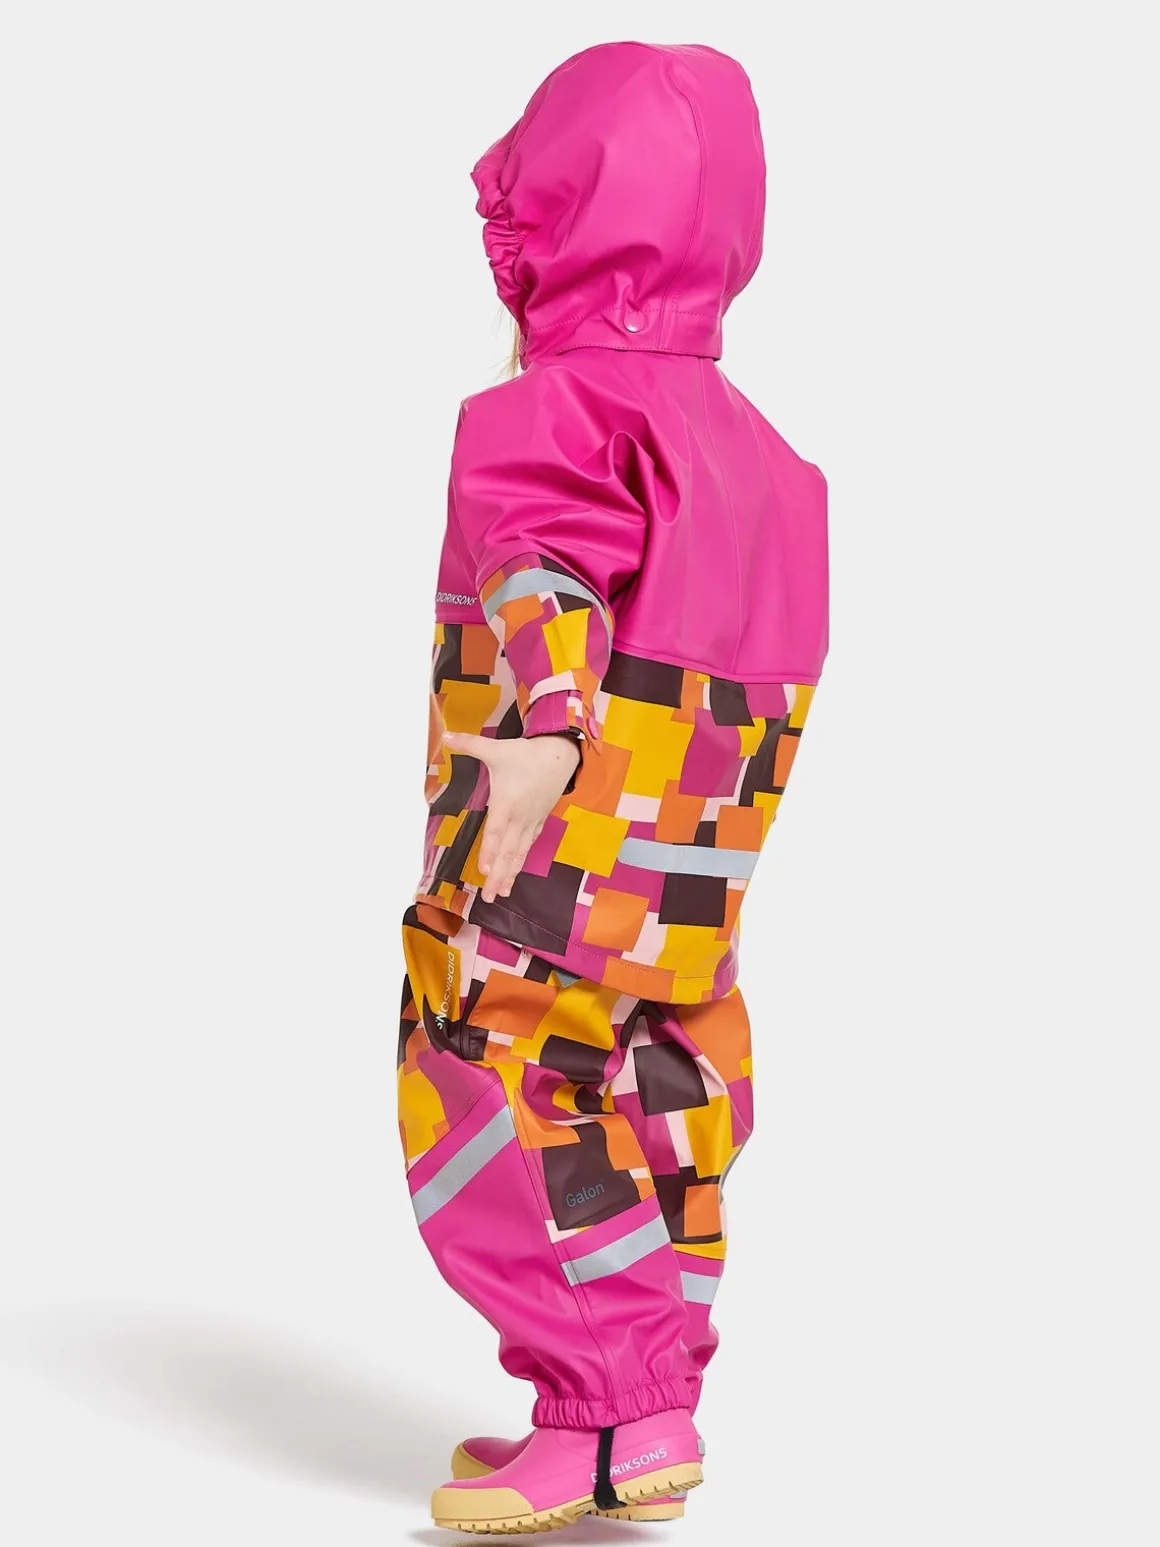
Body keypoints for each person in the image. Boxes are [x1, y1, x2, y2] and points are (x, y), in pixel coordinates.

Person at [397, 41, 829, 1535]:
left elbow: (540, 561)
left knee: (491, 1061)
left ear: (562, 217)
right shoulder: (768, 457)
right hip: (695, 860)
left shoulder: (554, 409)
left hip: (549, 821)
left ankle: (597, 1403)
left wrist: (553, 719)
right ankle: (647, 1405)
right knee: (667, 1077)